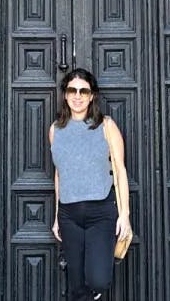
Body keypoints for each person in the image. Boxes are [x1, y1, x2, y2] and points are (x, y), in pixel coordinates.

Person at [48, 68, 131, 301]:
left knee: (98, 279)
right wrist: (57, 215)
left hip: (101, 213)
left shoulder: (106, 126)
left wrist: (124, 214)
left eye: (83, 91)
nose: (77, 96)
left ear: (92, 95)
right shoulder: (55, 130)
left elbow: (120, 171)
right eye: (72, 90)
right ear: (65, 94)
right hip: (69, 214)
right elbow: (60, 172)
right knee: (76, 283)